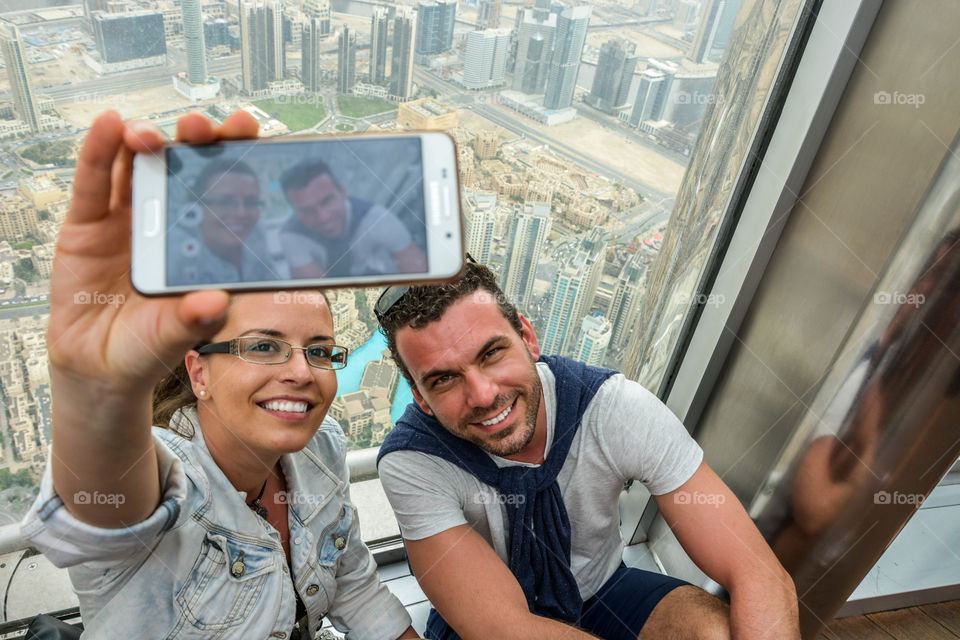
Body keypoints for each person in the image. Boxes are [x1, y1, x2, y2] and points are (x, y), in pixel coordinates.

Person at [19, 110, 419, 640]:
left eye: (319, 351)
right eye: (263, 346)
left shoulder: (321, 450)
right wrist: (100, 393)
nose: (302, 370)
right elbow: (100, 517)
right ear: (198, 373)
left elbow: (354, 588)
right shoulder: (166, 478)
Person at [373, 262, 801, 640]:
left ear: (527, 337)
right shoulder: (414, 462)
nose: (483, 395)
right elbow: (503, 628)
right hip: (487, 623)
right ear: (421, 398)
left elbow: (756, 571)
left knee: (712, 632)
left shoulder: (612, 407)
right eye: (444, 379)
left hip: (601, 591)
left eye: (492, 353)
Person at [279, 160, 427, 278]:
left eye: (327, 201)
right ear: (294, 211)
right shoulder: (291, 235)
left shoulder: (377, 217)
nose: (323, 217)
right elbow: (314, 298)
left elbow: (419, 273)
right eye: (306, 210)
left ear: (343, 191)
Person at [167, 157, 278, 286]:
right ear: (196, 207)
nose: (241, 213)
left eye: (251, 202)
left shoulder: (258, 233)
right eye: (224, 202)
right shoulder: (171, 255)